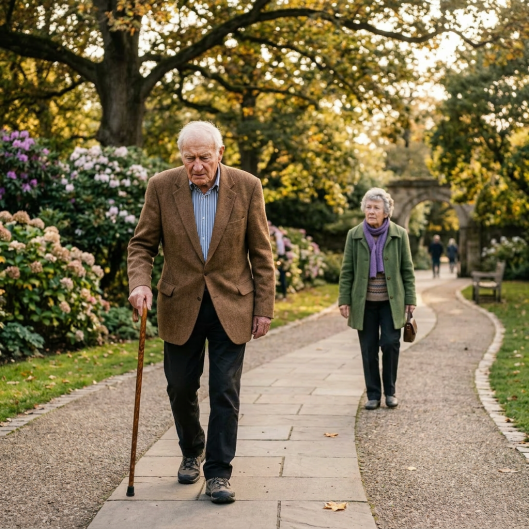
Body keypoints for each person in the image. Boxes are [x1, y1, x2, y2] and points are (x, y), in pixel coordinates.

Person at [127, 121, 275, 504]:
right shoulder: (162, 186)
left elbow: (261, 254)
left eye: (204, 157)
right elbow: (141, 245)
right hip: (179, 304)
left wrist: (264, 308)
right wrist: (139, 282)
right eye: (189, 157)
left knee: (224, 390)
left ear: (219, 154)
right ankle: (192, 449)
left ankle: (218, 474)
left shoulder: (247, 186)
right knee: (180, 387)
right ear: (181, 156)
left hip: (233, 304)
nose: (196, 165)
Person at [338, 188, 416, 410]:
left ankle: (390, 391)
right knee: (369, 348)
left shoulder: (399, 234)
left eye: (376, 208)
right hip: (365, 303)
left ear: (386, 212)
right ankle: (373, 394)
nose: (371, 211)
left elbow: (407, 271)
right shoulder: (354, 235)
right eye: (368, 207)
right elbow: (347, 271)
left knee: (391, 344)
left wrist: (411, 298)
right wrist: (344, 299)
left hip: (391, 302)